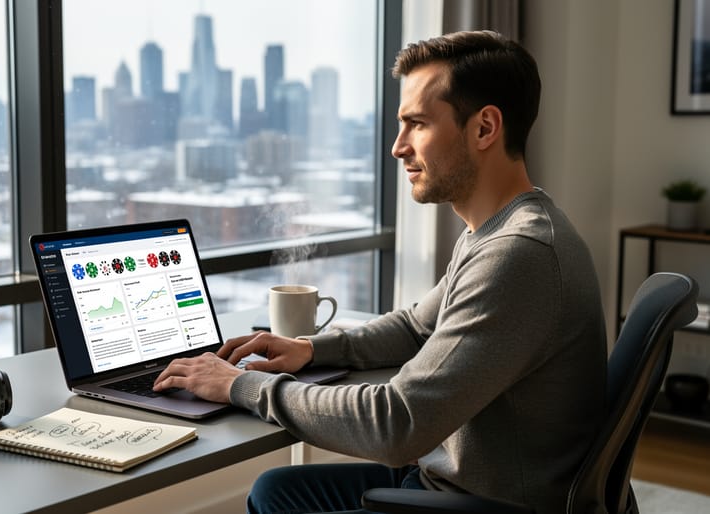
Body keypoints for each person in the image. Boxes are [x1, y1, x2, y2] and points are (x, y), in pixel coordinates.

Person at [154, 30, 607, 514]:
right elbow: (418, 326)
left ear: (484, 128)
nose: (397, 147)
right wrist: (309, 349)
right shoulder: (496, 231)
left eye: (416, 124)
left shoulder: (520, 254)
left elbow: (397, 425)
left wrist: (238, 385)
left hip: (486, 503)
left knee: (277, 501)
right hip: (452, 481)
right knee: (274, 491)